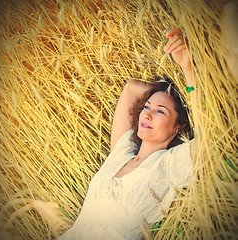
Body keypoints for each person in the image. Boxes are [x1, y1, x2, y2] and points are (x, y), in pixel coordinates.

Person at [58, 28, 196, 240]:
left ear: (178, 127)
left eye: (160, 111)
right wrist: (165, 88)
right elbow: (131, 89)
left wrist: (187, 71)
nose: (147, 114)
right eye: (147, 106)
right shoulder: (122, 152)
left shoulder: (170, 165)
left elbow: (210, 140)